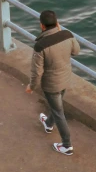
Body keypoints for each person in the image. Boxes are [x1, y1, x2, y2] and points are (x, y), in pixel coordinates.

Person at [25, 9, 80, 155]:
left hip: (51, 85)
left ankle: (67, 145)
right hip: (65, 78)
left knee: (58, 112)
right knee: (56, 107)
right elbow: (76, 51)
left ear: (42, 26)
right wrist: (60, 31)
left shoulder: (40, 46)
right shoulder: (67, 35)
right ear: (57, 23)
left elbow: (37, 72)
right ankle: (48, 124)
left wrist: (31, 86)